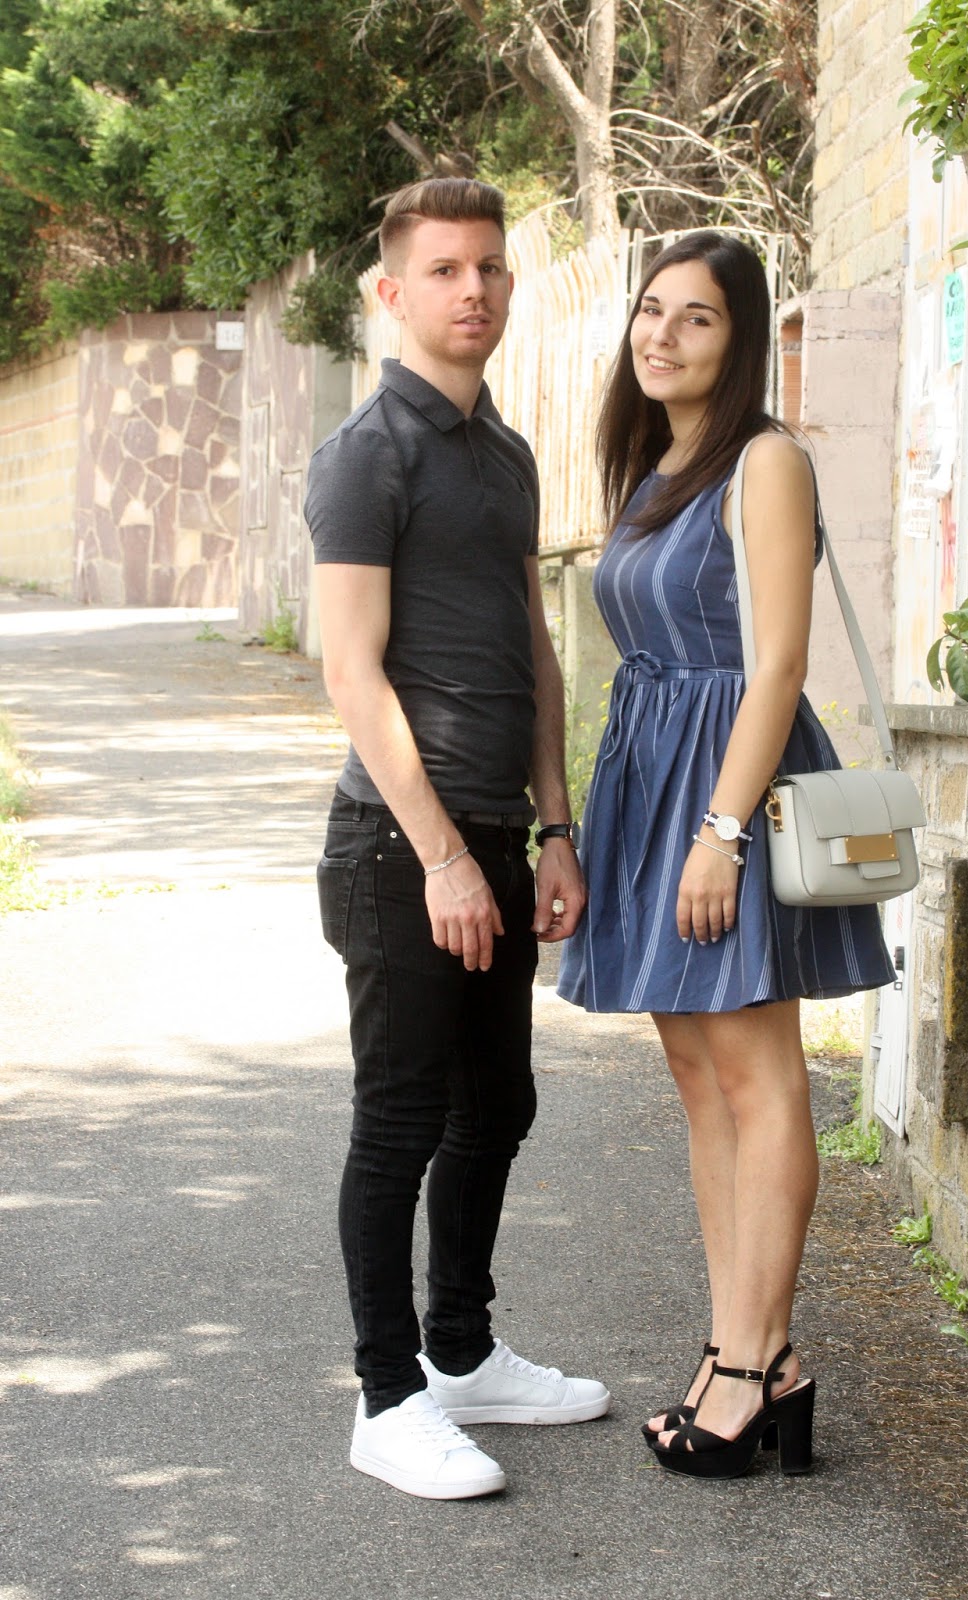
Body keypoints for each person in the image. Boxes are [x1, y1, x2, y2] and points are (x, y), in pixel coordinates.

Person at [557, 231, 894, 1479]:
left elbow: (779, 664)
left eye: (695, 317)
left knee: (757, 1073)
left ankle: (754, 1365)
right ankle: (742, 1346)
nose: (661, 335)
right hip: (653, 778)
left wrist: (720, 830)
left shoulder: (765, 460)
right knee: (700, 1077)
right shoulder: (656, 466)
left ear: (739, 339)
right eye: (651, 310)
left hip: (725, 788)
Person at [305, 177, 609, 1502]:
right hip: (396, 846)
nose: (472, 289)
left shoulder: (507, 455)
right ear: (392, 292)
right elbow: (351, 671)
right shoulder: (367, 453)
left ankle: (463, 1355)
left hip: (495, 831)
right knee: (400, 1122)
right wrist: (438, 855)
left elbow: (533, 648)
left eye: (488, 266)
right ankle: (386, 1398)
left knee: (499, 1106)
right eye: (443, 270)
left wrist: (553, 826)